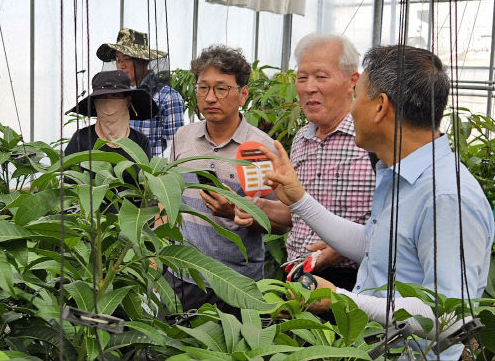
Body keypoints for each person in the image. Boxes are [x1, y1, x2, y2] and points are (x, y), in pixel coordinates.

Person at [260, 45, 494, 359]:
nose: (351, 107)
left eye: (356, 95)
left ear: (380, 107)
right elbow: (373, 248)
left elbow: (450, 316)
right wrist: (299, 200)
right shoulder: (399, 176)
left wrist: (341, 300)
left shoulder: (446, 197)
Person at [235, 34, 375, 290]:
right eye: (302, 77)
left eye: (321, 77)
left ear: (352, 81)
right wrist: (257, 207)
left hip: (355, 282)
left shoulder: (372, 140)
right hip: (299, 277)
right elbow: (296, 214)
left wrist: (344, 247)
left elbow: (393, 224)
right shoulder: (302, 139)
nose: (309, 87)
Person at [165, 45, 286, 315]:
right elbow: (166, 199)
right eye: (203, 88)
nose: (210, 97)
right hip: (183, 277)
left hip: (237, 284)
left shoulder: (260, 148)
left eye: (222, 88)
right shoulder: (183, 138)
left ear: (243, 94)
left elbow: (284, 220)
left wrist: (237, 211)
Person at [96, 28, 184, 157]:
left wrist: (152, 171)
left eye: (127, 59)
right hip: (117, 171)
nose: (121, 65)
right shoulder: (115, 96)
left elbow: (175, 146)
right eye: (118, 60)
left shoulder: (167, 97)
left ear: (144, 61)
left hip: (150, 173)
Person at [65, 70, 155, 161]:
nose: (108, 103)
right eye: (102, 97)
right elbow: (69, 173)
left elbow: (146, 174)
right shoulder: (81, 139)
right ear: (95, 102)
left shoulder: (140, 142)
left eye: (115, 95)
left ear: (127, 100)